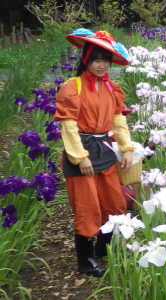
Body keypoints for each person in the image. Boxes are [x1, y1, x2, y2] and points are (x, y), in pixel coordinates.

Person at [56, 28, 135, 277]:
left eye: (104, 60)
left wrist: (126, 147)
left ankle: (104, 246)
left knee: (114, 200)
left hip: (104, 149)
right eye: (95, 60)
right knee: (87, 205)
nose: (100, 66)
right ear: (86, 59)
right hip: (82, 149)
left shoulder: (111, 88)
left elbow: (118, 121)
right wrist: (80, 157)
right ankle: (85, 259)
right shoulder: (73, 87)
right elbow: (68, 125)